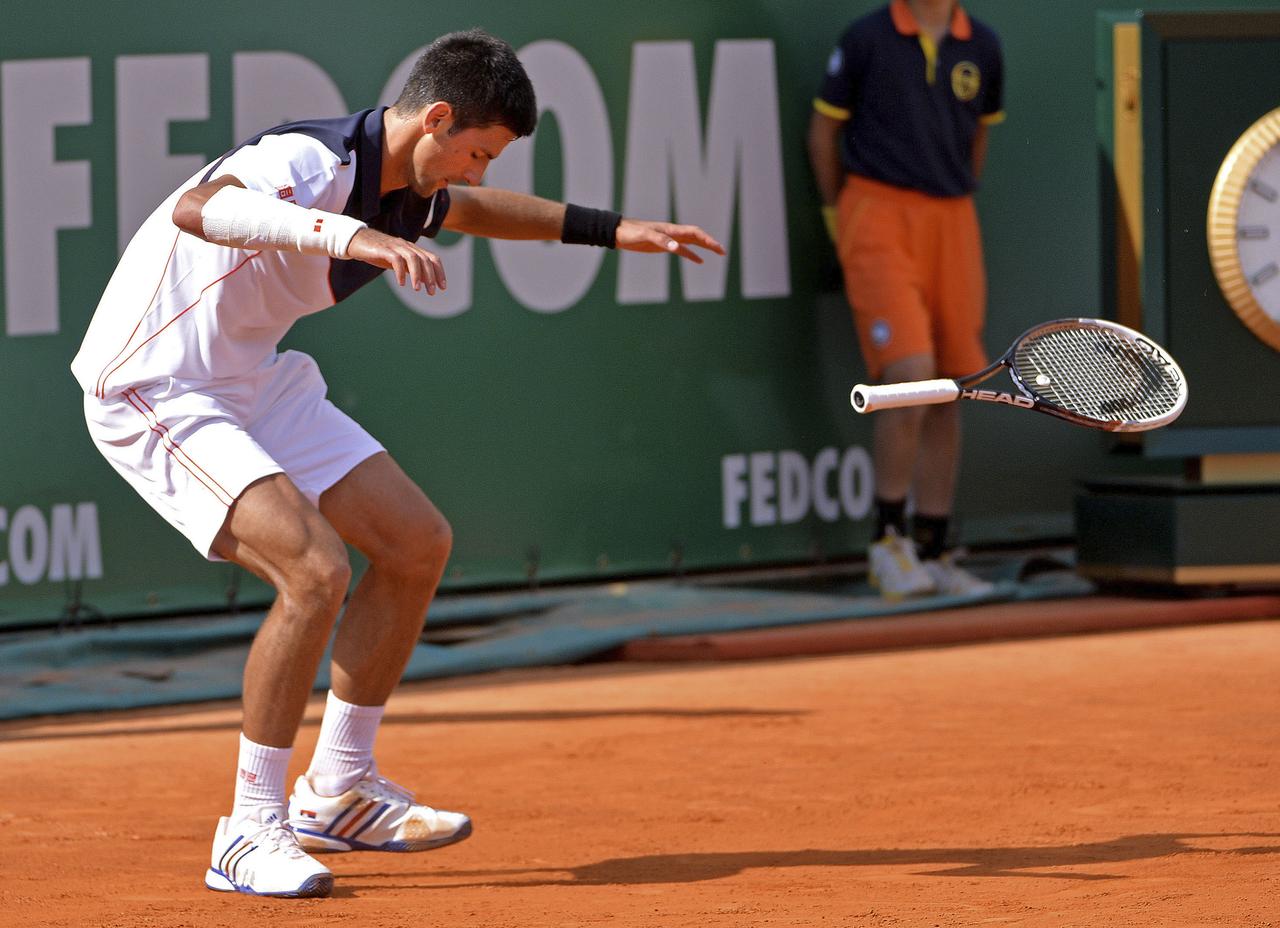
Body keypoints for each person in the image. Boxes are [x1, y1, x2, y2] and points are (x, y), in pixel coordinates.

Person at [70, 28, 723, 899]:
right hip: (157, 381)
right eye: (477, 152)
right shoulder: (309, 160)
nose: (478, 172)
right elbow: (201, 208)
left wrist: (615, 231)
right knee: (313, 569)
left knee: (416, 543)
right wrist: (350, 239)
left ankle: (336, 791)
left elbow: (481, 213)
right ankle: (248, 831)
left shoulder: (413, 183)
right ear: (438, 119)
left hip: (254, 378)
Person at [806, 0, 1003, 599]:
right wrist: (839, 219)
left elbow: (977, 144)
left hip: (953, 221)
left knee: (954, 385)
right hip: (876, 213)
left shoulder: (983, 46)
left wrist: (950, 197)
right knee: (912, 376)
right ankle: (887, 544)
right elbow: (823, 134)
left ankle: (933, 548)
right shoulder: (866, 37)